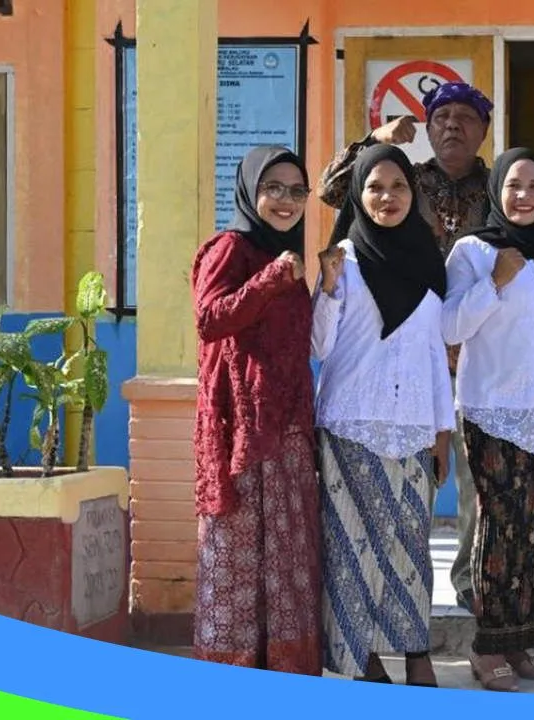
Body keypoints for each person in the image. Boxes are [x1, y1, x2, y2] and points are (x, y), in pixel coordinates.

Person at [320, 81, 495, 614]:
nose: (452, 127)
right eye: (441, 117)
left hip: (477, 354)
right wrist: (370, 137)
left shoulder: (497, 191)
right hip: (402, 355)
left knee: (476, 482)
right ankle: (376, 600)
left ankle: (470, 580)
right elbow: (333, 191)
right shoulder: (405, 181)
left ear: (484, 131)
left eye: (465, 118)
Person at [442, 148, 534, 691]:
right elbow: (450, 325)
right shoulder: (474, 252)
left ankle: (524, 641)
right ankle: (487, 649)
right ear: (496, 193)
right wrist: (496, 283)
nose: (524, 196)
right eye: (513, 185)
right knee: (497, 536)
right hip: (491, 413)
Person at [312, 144, 454, 687]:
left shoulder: (427, 259)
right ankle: (363, 661)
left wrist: (442, 431)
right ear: (358, 194)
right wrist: (326, 288)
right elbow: (320, 346)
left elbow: (435, 356)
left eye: (398, 187)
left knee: (410, 551)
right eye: (375, 187)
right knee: (351, 551)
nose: (387, 197)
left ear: (412, 194)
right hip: (351, 425)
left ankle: (417, 654)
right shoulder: (342, 260)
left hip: (415, 427)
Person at [190, 145, 322, 674]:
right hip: (242, 429)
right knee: (237, 556)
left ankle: (284, 671)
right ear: (249, 191)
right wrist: (267, 282)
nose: (285, 201)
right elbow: (209, 318)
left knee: (285, 555)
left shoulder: (287, 256)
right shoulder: (231, 248)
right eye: (273, 188)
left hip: (286, 427)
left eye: (296, 191)